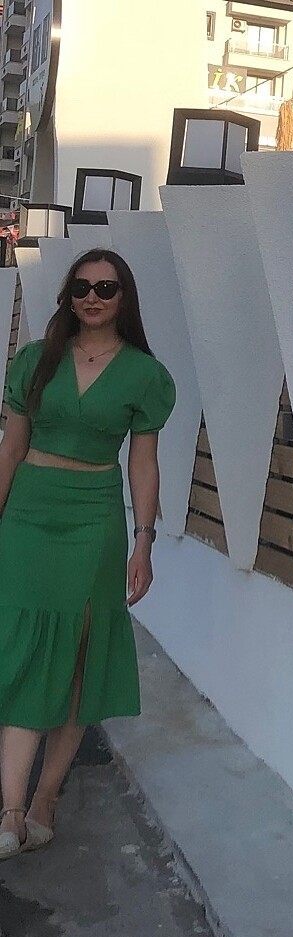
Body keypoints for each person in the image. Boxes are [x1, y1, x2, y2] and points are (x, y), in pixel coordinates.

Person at [0, 248, 176, 859]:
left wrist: (144, 540)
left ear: (124, 297)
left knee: (78, 654)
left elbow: (143, 463)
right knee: (23, 649)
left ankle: (45, 798)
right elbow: (11, 447)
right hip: (28, 514)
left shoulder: (145, 376)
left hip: (94, 518)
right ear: (67, 296)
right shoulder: (34, 360)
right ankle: (11, 810)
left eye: (105, 288)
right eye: (81, 287)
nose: (92, 298)